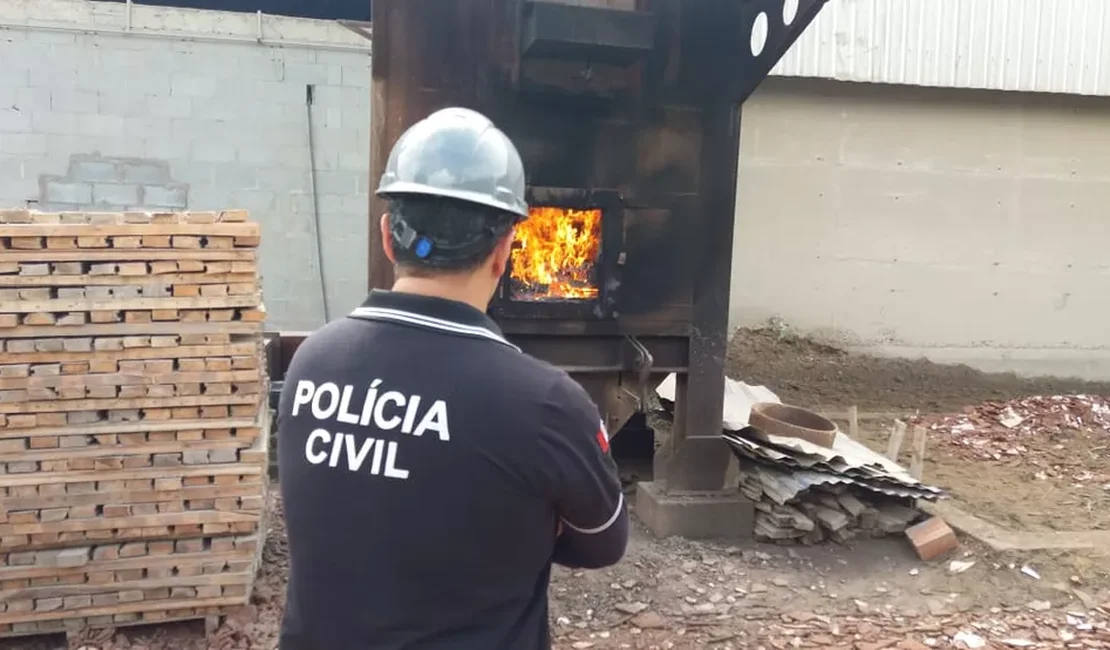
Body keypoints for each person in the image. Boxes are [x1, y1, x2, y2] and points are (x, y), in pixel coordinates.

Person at [276, 107, 629, 650]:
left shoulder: (311, 362)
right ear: (504, 252)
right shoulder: (546, 405)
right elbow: (601, 544)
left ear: (388, 238)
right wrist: (521, 513)